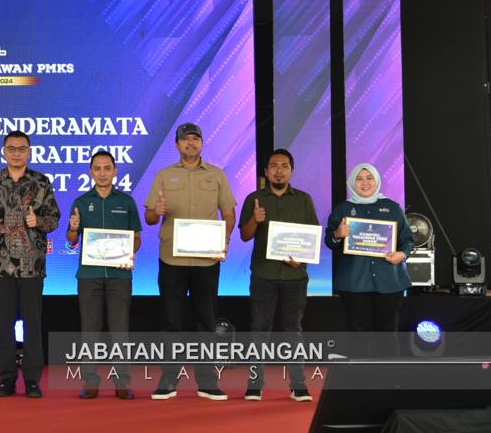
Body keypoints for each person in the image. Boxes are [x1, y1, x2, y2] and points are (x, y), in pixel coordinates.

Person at [144, 123, 236, 401]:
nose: (191, 143)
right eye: (186, 139)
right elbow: (149, 217)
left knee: (206, 322)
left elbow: (229, 213)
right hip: (171, 259)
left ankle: (207, 381)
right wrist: (156, 211)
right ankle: (168, 379)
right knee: (171, 321)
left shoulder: (217, 175)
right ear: (177, 145)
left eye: (195, 138)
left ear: (201, 143)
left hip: (206, 261)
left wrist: (224, 240)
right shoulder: (164, 175)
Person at [0, 130, 60, 398]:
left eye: (21, 148)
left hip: (31, 266)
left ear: (29, 152)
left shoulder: (41, 182)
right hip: (0, 266)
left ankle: (33, 380)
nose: (16, 153)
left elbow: (54, 219)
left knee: (32, 325)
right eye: (11, 148)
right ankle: (7, 379)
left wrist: (39, 222)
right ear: (4, 152)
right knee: (4, 326)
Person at [237, 149, 318, 402]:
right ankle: (255, 384)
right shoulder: (254, 199)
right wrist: (255, 220)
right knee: (259, 329)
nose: (279, 170)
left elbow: (313, 237)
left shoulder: (304, 199)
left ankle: (298, 385)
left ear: (291, 170)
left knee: (293, 330)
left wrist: (302, 258)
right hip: (264, 274)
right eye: (274, 166)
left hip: (295, 276)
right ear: (266, 171)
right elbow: (245, 235)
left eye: (284, 166)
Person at [66, 150, 142, 400]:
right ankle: (90, 382)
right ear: (91, 172)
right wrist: (73, 229)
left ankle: (122, 382)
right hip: (89, 275)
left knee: (120, 330)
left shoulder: (127, 202)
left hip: (120, 276)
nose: (102, 173)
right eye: (97, 168)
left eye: (107, 168)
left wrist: (129, 253)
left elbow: (137, 237)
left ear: (115, 171)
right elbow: (71, 240)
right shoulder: (80, 202)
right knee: (90, 330)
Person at [325, 163, 413, 350]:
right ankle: (362, 370)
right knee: (359, 337)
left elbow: (407, 240)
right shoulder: (342, 209)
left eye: (369, 178)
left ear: (377, 181)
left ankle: (387, 371)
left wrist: (402, 254)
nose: (364, 183)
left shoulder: (392, 208)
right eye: (359, 179)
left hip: (389, 283)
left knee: (388, 335)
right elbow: (329, 242)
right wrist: (337, 235)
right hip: (354, 284)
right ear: (352, 183)